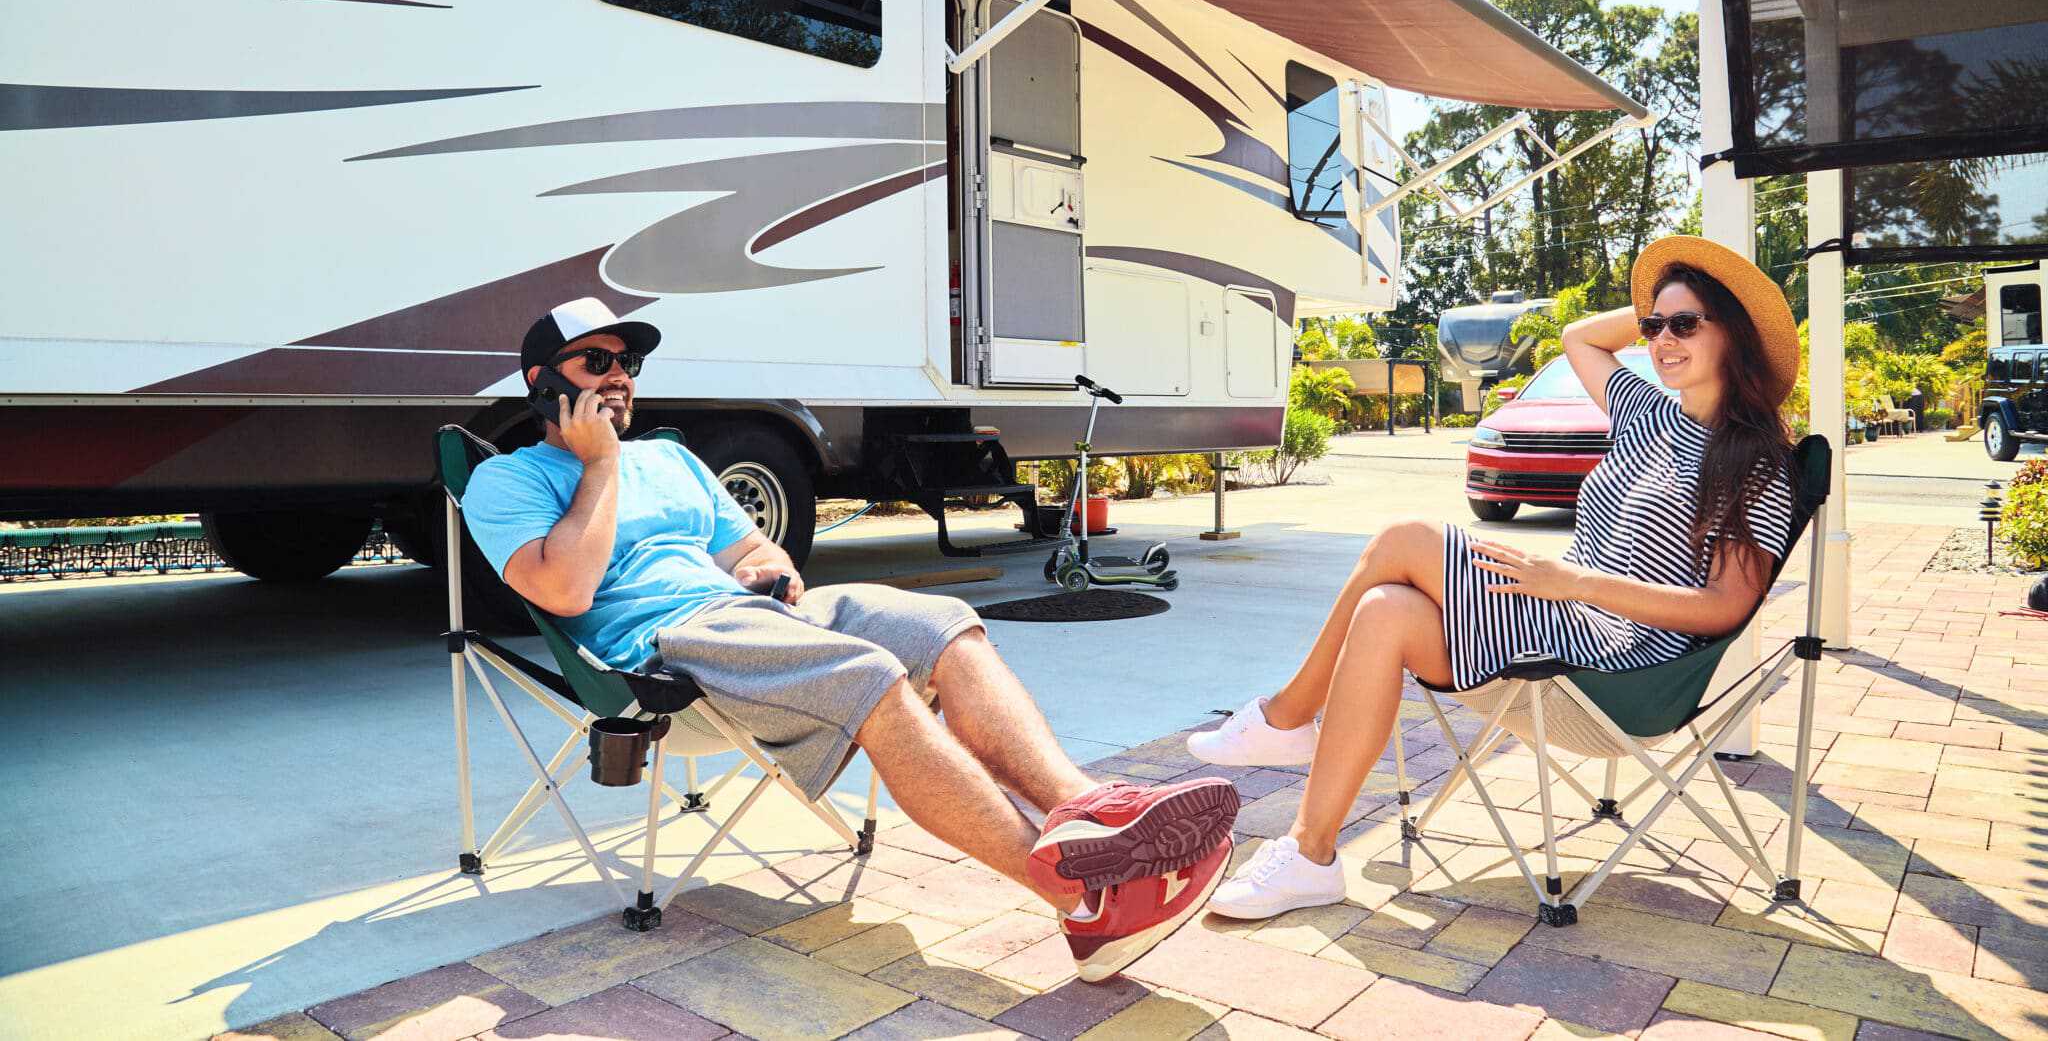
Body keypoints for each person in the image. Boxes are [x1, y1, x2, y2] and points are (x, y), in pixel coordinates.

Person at [461, 299, 1237, 981]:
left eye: (627, 361)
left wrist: (774, 570)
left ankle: (1090, 808)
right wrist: (599, 467)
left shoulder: (668, 459)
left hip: (751, 617)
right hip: (669, 648)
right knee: (872, 675)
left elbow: (752, 551)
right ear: (543, 381)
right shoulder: (511, 482)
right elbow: (563, 590)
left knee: (944, 629)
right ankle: (1081, 899)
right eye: (597, 361)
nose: (620, 375)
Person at [1188, 237, 1801, 918]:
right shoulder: (1648, 413)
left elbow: (1725, 605)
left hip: (1620, 660)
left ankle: (1286, 716)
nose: (1661, 340)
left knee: (1402, 540)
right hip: (1560, 615)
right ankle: (1310, 854)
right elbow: (1579, 339)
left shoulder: (1754, 461)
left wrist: (1578, 585)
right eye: (1654, 325)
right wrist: (1660, 308)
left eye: (1686, 324)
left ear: (1734, 335)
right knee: (1384, 609)